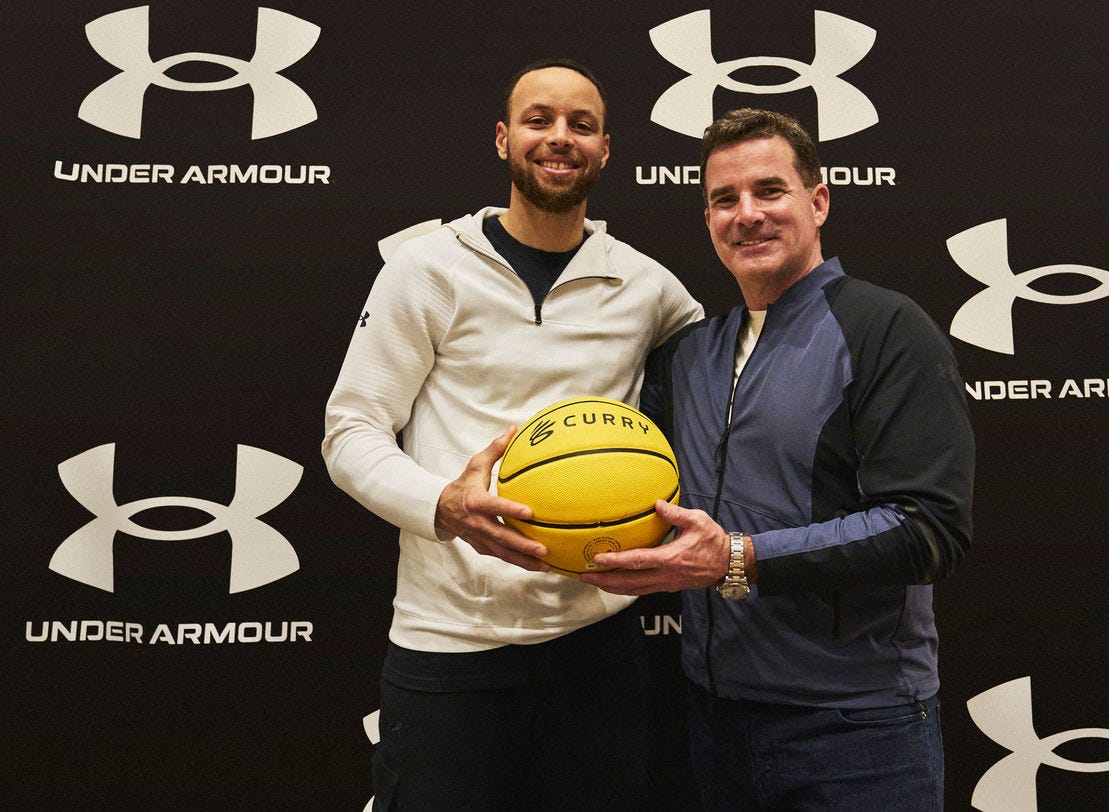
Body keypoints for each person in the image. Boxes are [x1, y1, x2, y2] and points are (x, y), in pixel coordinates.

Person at [322, 59, 702, 811]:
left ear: (604, 151)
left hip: (597, 647)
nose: (559, 138)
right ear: (502, 139)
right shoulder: (427, 269)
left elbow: (726, 386)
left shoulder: (647, 286)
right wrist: (443, 505)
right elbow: (350, 429)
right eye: (539, 119)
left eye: (581, 125)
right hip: (450, 643)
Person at [581, 108, 975, 810]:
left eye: (770, 191)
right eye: (725, 200)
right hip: (715, 719)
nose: (748, 215)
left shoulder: (888, 329)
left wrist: (737, 558)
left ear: (817, 201)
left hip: (857, 730)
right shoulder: (691, 353)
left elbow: (928, 529)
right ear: (706, 219)